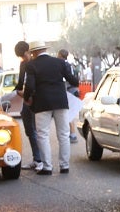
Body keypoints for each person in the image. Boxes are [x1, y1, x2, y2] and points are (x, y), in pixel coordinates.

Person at [24, 41, 79, 175]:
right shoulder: (60, 63)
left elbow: (30, 86)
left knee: (42, 134)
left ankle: (47, 167)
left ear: (34, 52)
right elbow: (74, 81)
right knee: (64, 134)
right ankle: (64, 166)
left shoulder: (31, 65)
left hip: (42, 103)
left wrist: (27, 98)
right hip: (61, 101)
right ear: (44, 49)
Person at [13, 40, 43, 170]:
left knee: (37, 131)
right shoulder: (23, 64)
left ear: (29, 51)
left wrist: (24, 94)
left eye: (24, 55)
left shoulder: (35, 64)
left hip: (34, 100)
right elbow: (20, 83)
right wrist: (15, 92)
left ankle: (41, 160)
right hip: (26, 101)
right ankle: (37, 158)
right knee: (30, 131)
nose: (24, 58)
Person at [58, 48, 80, 143]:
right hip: (72, 90)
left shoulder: (63, 65)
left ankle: (72, 134)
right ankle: (71, 133)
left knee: (68, 113)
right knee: (69, 113)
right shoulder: (69, 65)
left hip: (69, 91)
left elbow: (66, 79)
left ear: (60, 55)